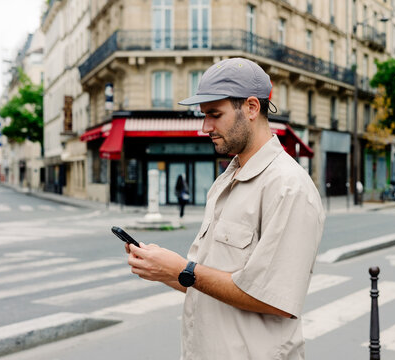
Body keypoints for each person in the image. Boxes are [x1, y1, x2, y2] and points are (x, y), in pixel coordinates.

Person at [125, 57, 325, 359]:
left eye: (215, 114)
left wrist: (181, 269)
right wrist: (163, 270)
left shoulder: (288, 187)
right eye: (204, 115)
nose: (205, 127)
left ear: (252, 108)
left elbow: (273, 299)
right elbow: (210, 282)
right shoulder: (226, 180)